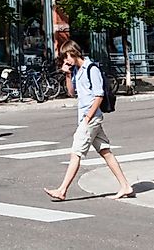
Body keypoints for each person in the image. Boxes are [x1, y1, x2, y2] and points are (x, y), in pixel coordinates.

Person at [44, 40, 135, 201]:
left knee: (76, 153)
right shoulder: (77, 70)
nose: (66, 60)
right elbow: (72, 93)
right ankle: (126, 186)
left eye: (67, 56)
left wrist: (87, 118)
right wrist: (67, 74)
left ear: (74, 53)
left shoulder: (91, 69)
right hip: (87, 118)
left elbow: (99, 96)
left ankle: (62, 190)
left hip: (90, 118)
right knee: (105, 152)